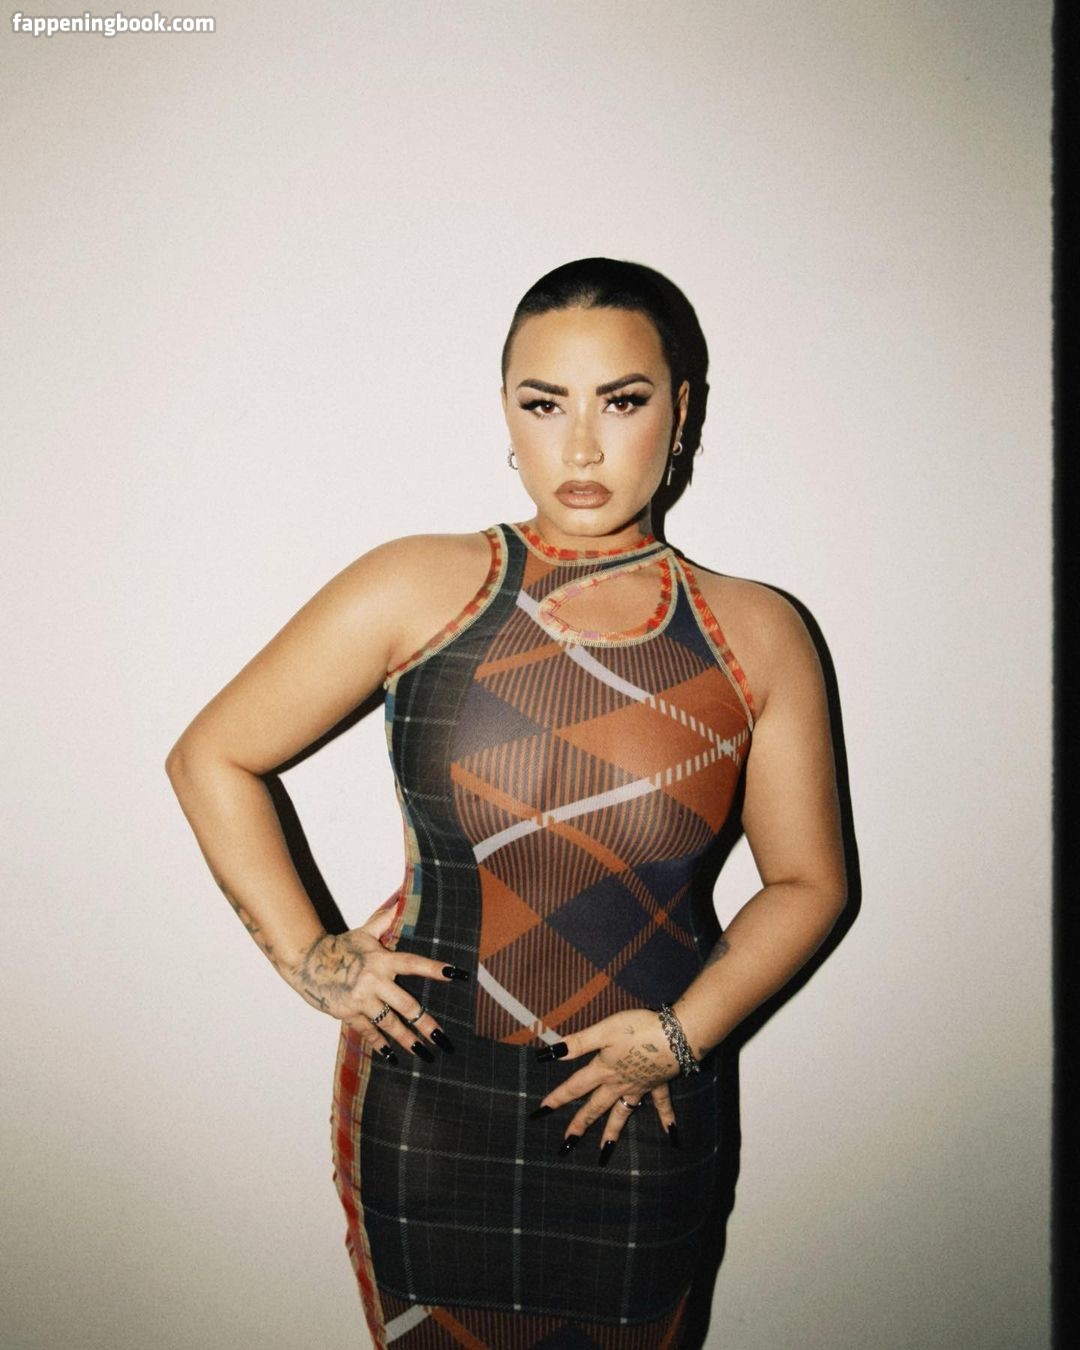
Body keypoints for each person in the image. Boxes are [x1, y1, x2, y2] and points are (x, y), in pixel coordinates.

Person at [165, 257, 847, 1349]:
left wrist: (680, 1038)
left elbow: (810, 883)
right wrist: (317, 960)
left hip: (643, 1111)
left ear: (682, 415)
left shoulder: (757, 632)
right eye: (544, 404)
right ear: (506, 416)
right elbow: (213, 758)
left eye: (621, 401)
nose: (581, 447)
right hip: (430, 1113)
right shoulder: (418, 585)